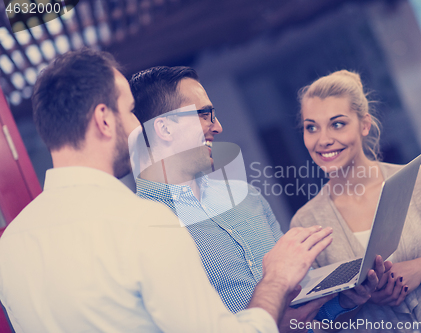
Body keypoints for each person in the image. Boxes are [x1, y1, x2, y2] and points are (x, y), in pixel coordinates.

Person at [0, 48, 335, 333]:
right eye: (131, 111)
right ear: (104, 119)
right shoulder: (144, 222)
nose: (137, 126)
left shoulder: (10, 247)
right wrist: (275, 281)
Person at [128, 66, 386, 332]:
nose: (217, 126)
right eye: (205, 115)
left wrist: (343, 302)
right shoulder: (139, 232)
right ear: (165, 128)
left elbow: (301, 312)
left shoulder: (247, 198)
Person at [290, 70, 421, 333]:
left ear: (364, 124)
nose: (323, 140)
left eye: (337, 123)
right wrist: (347, 302)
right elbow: (313, 324)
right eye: (311, 127)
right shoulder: (306, 224)